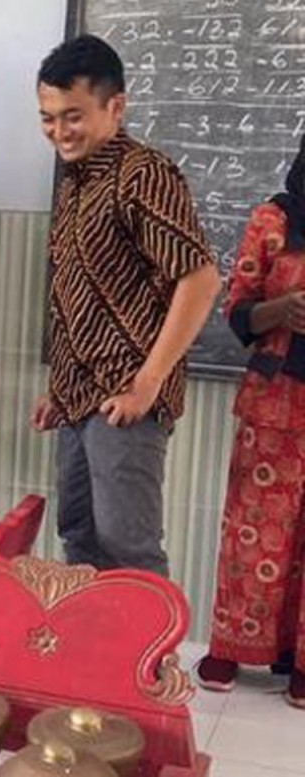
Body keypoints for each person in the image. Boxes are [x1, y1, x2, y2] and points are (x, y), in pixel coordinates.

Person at [30, 34, 220, 576]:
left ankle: (147, 663)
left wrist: (147, 383)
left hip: (125, 397)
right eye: (47, 117)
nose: (59, 132)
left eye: (73, 116)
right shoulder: (75, 177)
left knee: (127, 546)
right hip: (77, 396)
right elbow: (82, 289)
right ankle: (94, 660)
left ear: (116, 106)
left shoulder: (143, 173)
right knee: (80, 536)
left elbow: (201, 280)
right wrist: (60, 386)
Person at [195, 132, 305, 709]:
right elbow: (236, 310)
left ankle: (299, 663)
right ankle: (231, 648)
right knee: (252, 531)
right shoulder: (273, 219)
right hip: (274, 400)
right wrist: (281, 310)